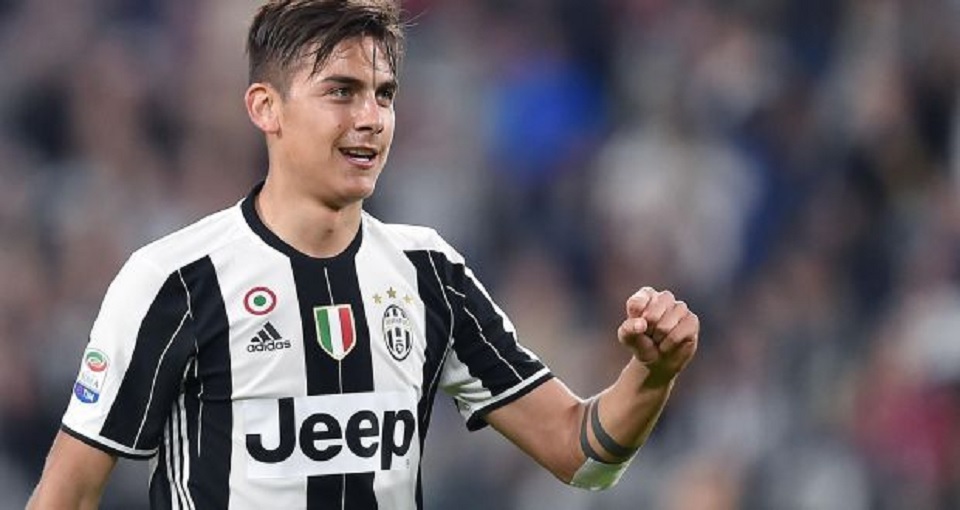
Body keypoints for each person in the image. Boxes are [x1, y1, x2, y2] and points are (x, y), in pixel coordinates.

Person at [27, 1, 699, 508]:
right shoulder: (175, 280)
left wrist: (653, 373)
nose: (371, 118)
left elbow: (582, 455)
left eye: (384, 94)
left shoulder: (429, 273)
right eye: (341, 91)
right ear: (266, 108)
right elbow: (68, 494)